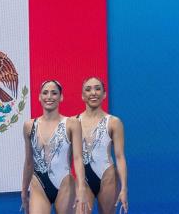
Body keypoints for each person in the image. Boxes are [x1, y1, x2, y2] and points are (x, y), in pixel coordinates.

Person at [21, 80, 89, 214]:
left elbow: (78, 158)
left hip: (64, 184)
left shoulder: (72, 124)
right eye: (45, 93)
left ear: (61, 97)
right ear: (39, 97)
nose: (49, 97)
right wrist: (23, 191)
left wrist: (81, 188)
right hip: (38, 184)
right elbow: (29, 162)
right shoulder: (29, 126)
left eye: (54, 93)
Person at [77, 77, 128, 214]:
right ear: (82, 96)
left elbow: (120, 156)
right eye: (88, 89)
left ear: (104, 94)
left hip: (107, 177)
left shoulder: (114, 122)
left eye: (97, 89)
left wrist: (124, 188)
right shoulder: (73, 122)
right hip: (84, 180)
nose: (93, 93)